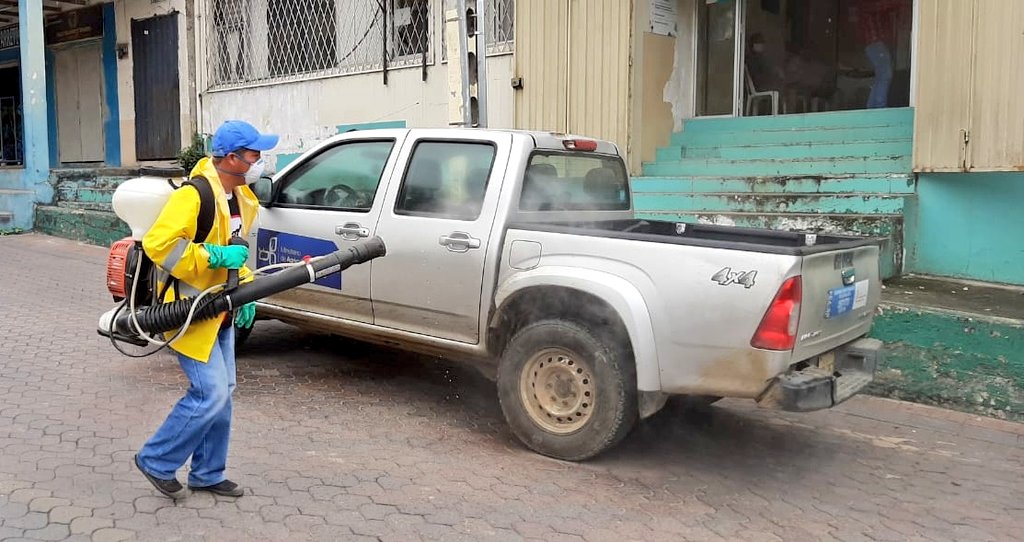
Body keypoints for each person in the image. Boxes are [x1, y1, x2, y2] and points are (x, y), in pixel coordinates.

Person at [133, 120, 279, 499]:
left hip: (222, 308)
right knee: (210, 392)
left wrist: (246, 287)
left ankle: (208, 472)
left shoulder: (241, 199)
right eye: (253, 154)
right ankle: (156, 459)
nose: (260, 161)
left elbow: (236, 252)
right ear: (231, 158)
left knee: (224, 391)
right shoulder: (194, 195)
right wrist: (214, 255)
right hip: (188, 311)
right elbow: (161, 245)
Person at [850, 0, 905, 109]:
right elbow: (882, 6)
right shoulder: (868, 4)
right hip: (875, 42)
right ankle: (879, 108)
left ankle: (873, 108)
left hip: (875, 43)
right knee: (885, 74)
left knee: (882, 75)